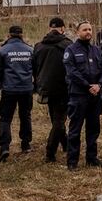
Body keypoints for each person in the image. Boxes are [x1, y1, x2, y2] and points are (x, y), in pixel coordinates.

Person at [64, 21, 102, 169]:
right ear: (78, 32)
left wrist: (99, 84)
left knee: (93, 129)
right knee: (75, 130)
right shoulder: (70, 50)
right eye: (84, 30)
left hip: (95, 96)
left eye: (90, 29)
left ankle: (92, 158)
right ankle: (72, 162)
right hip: (78, 96)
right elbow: (71, 71)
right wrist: (87, 85)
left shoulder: (97, 50)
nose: (88, 32)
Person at [0, 25, 34, 163]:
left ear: (8, 35)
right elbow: (36, 70)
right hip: (26, 89)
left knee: (5, 118)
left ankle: (4, 146)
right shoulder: (30, 50)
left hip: (9, 89)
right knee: (25, 116)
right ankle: (26, 144)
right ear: (22, 35)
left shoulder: (2, 50)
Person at [32, 18, 70, 164]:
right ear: (63, 28)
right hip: (63, 88)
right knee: (59, 120)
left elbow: (34, 68)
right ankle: (50, 152)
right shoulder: (67, 45)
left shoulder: (39, 46)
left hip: (46, 87)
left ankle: (65, 144)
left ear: (49, 28)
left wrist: (39, 83)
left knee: (56, 119)